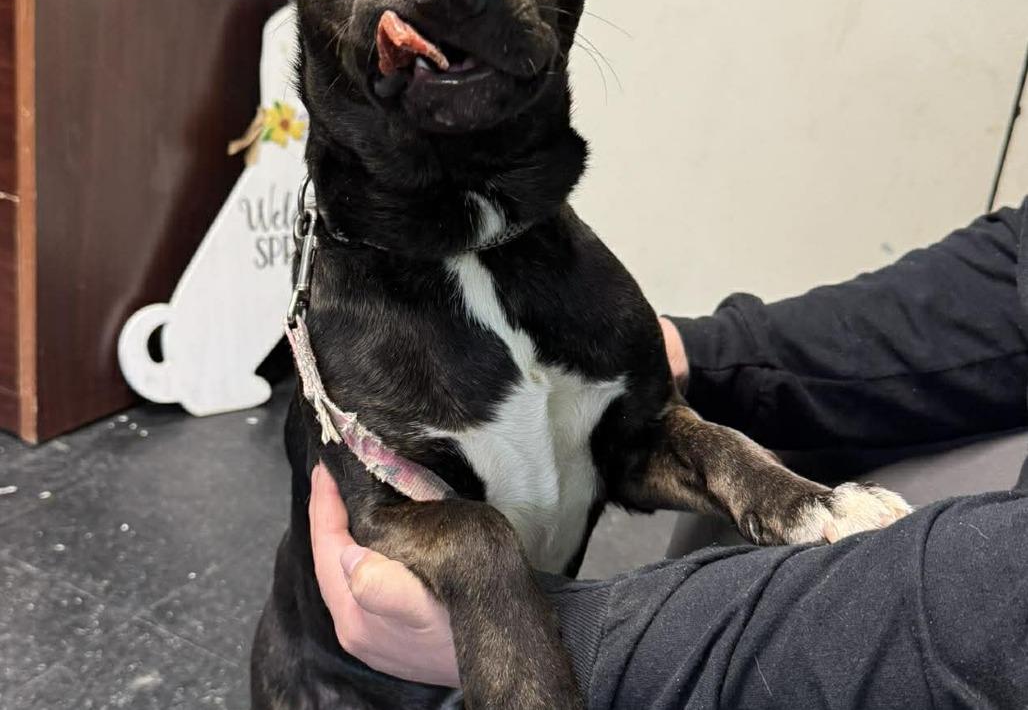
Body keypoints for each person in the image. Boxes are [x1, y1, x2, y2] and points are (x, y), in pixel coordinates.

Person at [309, 202, 1028, 708]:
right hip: (334, 684)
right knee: (751, 481)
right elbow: (1009, 272)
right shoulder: (348, 315)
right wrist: (711, 354)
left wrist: (600, 640)